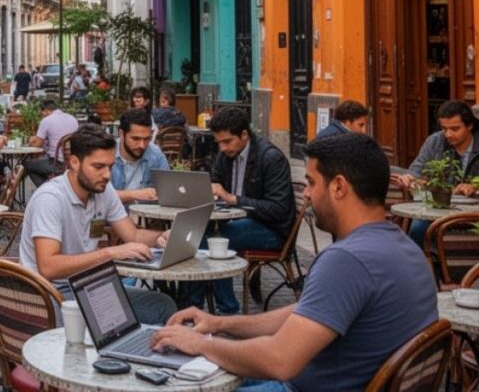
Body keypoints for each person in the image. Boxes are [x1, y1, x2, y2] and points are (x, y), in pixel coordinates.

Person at [152, 134, 438, 392]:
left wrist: (201, 344)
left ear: (339, 187)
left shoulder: (346, 260)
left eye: (312, 183)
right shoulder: (405, 247)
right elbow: (308, 312)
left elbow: (279, 361)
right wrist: (220, 324)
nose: (308, 195)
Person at [20, 124, 176, 325]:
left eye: (110, 166)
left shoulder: (103, 190)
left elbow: (133, 236)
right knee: (115, 321)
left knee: (163, 305)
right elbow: (48, 267)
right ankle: (116, 352)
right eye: (98, 167)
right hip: (49, 293)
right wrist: (110, 253)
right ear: (74, 162)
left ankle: (131, 352)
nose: (107, 175)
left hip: (87, 286)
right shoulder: (50, 198)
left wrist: (161, 237)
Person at [187, 106, 296, 314]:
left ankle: (215, 308)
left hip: (272, 229)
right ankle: (194, 305)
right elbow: (216, 183)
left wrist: (233, 199)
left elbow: (279, 209)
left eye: (227, 141)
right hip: (235, 221)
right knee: (194, 233)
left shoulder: (271, 158)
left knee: (213, 240)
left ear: (244, 134)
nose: (222, 148)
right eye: (218, 142)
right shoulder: (224, 155)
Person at [392, 99, 479, 245]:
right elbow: (416, 171)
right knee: (418, 228)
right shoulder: (435, 141)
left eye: (455, 129)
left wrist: (475, 187)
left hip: (474, 212)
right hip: (439, 210)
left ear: (470, 125)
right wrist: (409, 179)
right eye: (444, 129)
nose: (448, 134)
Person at [111, 108, 169, 203]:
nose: (142, 145)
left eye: (147, 139)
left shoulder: (156, 155)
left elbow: (168, 191)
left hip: (145, 216)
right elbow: (98, 197)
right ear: (121, 134)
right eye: (136, 139)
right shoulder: (106, 155)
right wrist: (134, 195)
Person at [25, 99, 80, 187]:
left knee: (28, 165)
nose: (42, 115)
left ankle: (46, 189)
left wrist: (30, 141)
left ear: (46, 110)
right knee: (41, 161)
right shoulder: (72, 118)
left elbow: (38, 144)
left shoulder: (47, 121)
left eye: (41, 112)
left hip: (57, 164)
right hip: (73, 162)